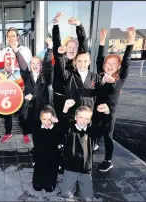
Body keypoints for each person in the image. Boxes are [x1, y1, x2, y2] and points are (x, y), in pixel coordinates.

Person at [93, 27, 135, 172]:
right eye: (107, 63)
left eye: (113, 64)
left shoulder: (120, 78)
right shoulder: (100, 74)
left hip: (109, 112)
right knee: (95, 130)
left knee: (108, 136)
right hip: (97, 109)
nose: (109, 66)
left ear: (118, 67)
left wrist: (130, 41)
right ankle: (95, 144)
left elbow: (127, 61)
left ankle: (108, 160)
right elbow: (99, 59)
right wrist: (102, 42)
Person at [59, 99, 111, 201]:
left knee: (88, 197)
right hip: (70, 167)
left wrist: (107, 112)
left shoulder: (92, 131)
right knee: (65, 194)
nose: (83, 121)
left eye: (86, 118)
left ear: (90, 120)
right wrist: (65, 108)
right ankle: (72, 186)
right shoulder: (70, 129)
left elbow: (104, 126)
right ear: (75, 117)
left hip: (85, 169)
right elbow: (63, 122)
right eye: (80, 117)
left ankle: (80, 187)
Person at [51, 12, 88, 119]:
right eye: (69, 47)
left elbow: (83, 43)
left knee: (75, 122)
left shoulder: (80, 62)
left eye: (74, 47)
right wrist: (55, 25)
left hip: (76, 98)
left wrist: (79, 25)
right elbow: (56, 44)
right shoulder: (60, 58)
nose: (72, 49)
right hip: (60, 98)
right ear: (66, 48)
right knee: (61, 121)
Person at [0, 40, 26, 142]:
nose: (8, 65)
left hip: (9, 101)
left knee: (8, 117)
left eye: (10, 62)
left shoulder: (16, 73)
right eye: (6, 62)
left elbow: (21, 87)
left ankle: (8, 132)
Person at [18, 37, 53, 144]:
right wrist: (16, 52)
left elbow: (48, 64)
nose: (35, 66)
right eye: (32, 63)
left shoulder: (44, 76)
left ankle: (38, 140)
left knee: (39, 125)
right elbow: (22, 64)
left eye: (37, 63)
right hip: (29, 105)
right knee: (26, 121)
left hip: (41, 105)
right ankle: (26, 134)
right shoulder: (26, 75)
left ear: (40, 65)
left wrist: (50, 48)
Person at [54, 45, 104, 117]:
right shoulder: (69, 75)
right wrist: (59, 55)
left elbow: (100, 97)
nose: (82, 64)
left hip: (88, 117)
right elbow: (60, 68)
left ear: (89, 62)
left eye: (85, 61)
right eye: (79, 61)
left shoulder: (96, 78)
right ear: (75, 62)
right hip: (72, 116)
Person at [32, 105, 60, 192]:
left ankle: (50, 181)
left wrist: (57, 123)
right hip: (39, 155)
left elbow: (64, 128)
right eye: (44, 119)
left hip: (53, 156)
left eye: (49, 119)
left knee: (50, 186)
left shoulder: (56, 128)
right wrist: (27, 102)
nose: (47, 122)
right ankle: (38, 179)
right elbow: (24, 122)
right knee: (38, 168)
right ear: (40, 118)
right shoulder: (36, 127)